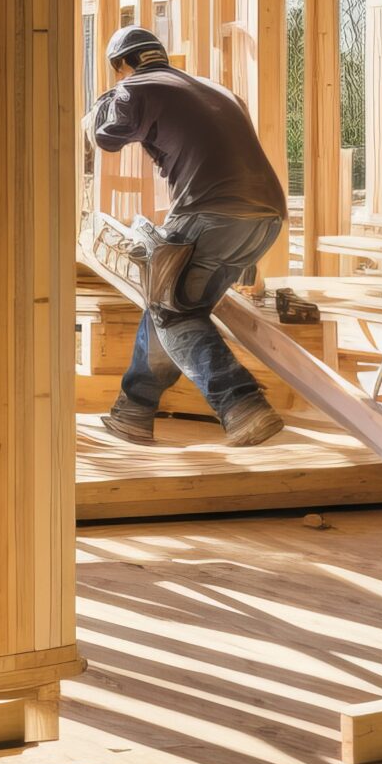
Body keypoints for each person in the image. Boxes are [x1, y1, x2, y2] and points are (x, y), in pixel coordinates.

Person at [87, 26, 290, 448]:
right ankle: (134, 411)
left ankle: (241, 404)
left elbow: (107, 137)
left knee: (175, 314)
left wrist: (99, 108)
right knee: (169, 304)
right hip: (267, 216)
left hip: (211, 211)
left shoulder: (136, 86)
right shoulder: (215, 89)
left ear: (121, 65)